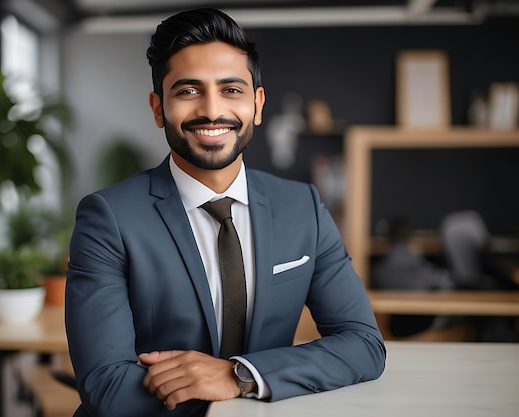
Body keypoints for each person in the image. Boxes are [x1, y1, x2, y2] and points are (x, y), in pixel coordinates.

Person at [65, 8, 385, 417]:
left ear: (258, 103)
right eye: (188, 91)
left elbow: (363, 344)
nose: (211, 110)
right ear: (158, 107)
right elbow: (107, 387)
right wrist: (215, 391)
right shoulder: (107, 217)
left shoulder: (302, 206)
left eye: (231, 90)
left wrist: (241, 376)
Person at [371, 216, 454, 337]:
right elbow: (447, 283)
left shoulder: (378, 272)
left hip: (391, 330)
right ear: (410, 238)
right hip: (422, 329)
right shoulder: (420, 267)